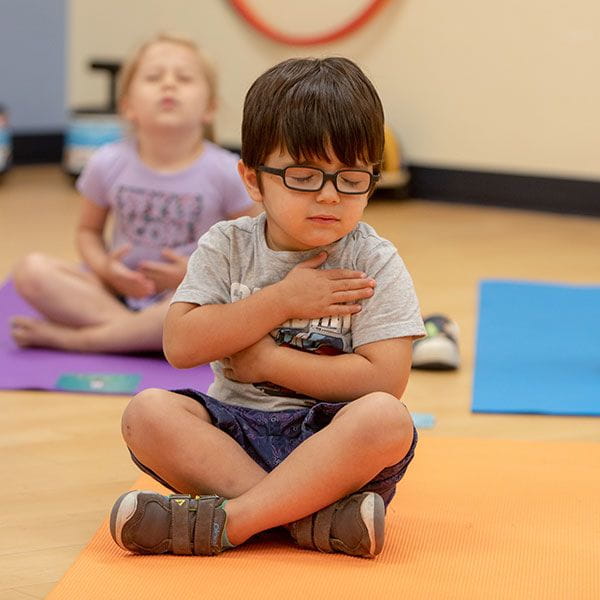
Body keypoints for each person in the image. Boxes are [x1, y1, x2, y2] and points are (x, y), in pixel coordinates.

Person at [109, 56, 426, 560]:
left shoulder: (373, 258)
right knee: (147, 412)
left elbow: (385, 380)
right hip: (232, 434)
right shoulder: (227, 245)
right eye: (304, 176)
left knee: (387, 419)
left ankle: (236, 520)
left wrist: (269, 363)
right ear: (253, 181)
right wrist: (281, 299)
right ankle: (309, 520)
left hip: (330, 445)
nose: (329, 196)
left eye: (350, 178)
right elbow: (181, 343)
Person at [9, 33, 257, 353]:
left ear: (209, 108)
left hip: (184, 298)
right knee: (30, 270)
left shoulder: (225, 170)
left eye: (184, 78)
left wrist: (192, 272)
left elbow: (249, 247)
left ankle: (81, 340)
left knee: (213, 303)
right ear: (127, 106)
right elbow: (89, 231)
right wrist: (105, 269)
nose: (169, 84)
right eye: (154, 77)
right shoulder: (106, 162)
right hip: (117, 293)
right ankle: (138, 337)